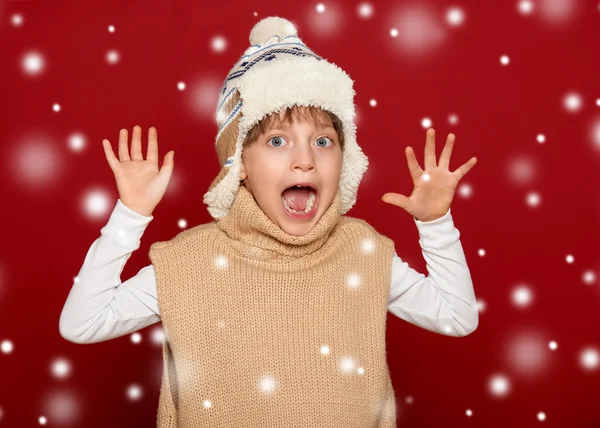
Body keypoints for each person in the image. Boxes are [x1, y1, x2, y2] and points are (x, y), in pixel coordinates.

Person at [59, 16, 479, 427]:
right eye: (277, 141)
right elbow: (83, 323)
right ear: (238, 163)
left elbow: (457, 317)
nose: (304, 159)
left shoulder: (362, 251)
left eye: (323, 141)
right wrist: (129, 216)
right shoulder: (191, 262)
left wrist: (436, 223)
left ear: (344, 159)